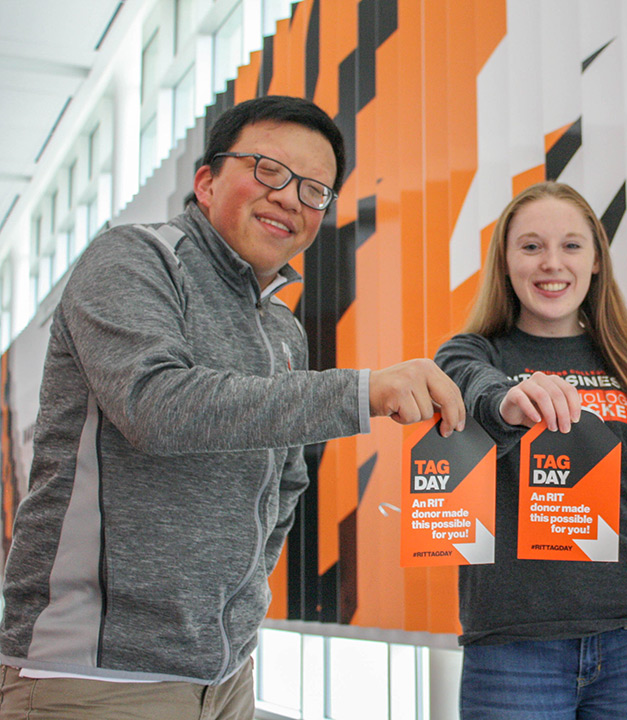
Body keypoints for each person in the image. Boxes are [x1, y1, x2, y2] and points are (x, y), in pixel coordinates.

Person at [0, 95, 464, 719]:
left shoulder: (281, 326)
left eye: (314, 190)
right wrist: (362, 391)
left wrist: (241, 614)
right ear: (206, 179)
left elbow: (283, 484)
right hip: (95, 676)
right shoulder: (133, 259)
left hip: (226, 679)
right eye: (269, 169)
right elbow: (157, 405)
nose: (289, 198)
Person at [434, 182, 627, 720]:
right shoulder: (473, 355)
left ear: (595, 262)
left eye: (571, 246)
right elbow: (463, 380)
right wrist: (507, 400)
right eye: (530, 246)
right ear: (505, 262)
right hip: (514, 649)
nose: (552, 263)